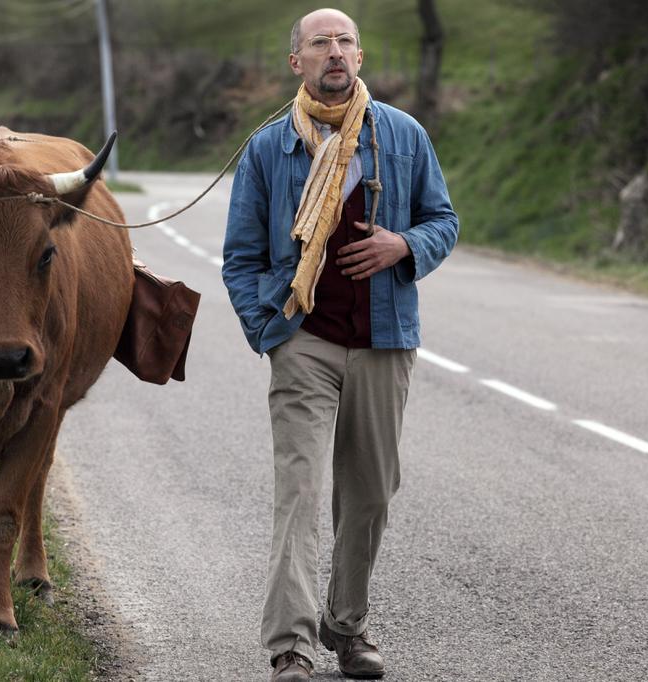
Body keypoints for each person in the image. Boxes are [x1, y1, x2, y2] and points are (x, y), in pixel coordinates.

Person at [222, 8, 458, 681]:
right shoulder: (269, 147)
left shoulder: (403, 136)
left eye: (345, 41)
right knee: (297, 490)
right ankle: (289, 644)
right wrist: (269, 332)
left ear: (360, 57)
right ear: (295, 62)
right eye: (319, 43)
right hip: (305, 339)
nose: (335, 52)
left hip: (384, 341)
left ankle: (346, 626)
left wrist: (405, 244)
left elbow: (443, 218)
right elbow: (239, 257)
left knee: (370, 492)